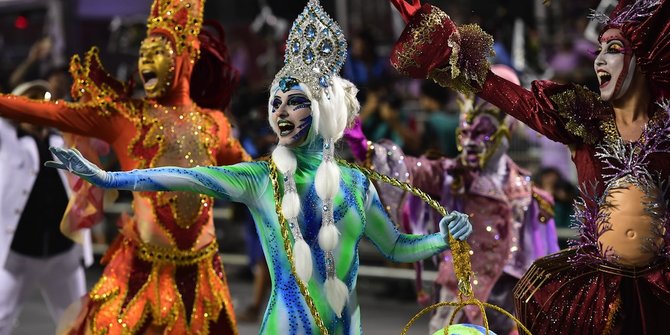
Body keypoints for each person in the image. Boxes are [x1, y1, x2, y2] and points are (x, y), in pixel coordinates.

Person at [45, 1, 474, 334]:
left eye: (296, 101)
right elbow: (185, 177)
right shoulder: (259, 179)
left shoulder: (358, 184)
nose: (282, 112)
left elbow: (396, 248)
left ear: (323, 111)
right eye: (277, 103)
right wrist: (107, 178)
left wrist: (441, 238)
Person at [384, 0, 670, 333]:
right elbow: (512, 97)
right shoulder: (585, 120)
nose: (600, 60)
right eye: (599, 50)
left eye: (615, 49)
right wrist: (442, 42)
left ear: (645, 57)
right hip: (596, 295)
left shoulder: (666, 134)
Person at [0, 0, 248, 333]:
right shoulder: (126, 117)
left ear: (184, 57)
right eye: (142, 52)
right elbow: (52, 113)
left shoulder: (213, 125)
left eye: (158, 50)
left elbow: (252, 173)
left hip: (201, 280)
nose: (144, 59)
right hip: (140, 277)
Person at [345, 65, 559, 335]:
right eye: (464, 132)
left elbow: (541, 263)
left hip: (508, 307)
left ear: (507, 130)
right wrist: (361, 145)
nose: (470, 142)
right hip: (459, 304)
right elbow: (405, 170)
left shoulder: (530, 194)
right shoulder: (449, 176)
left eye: (481, 133)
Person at [0, 81, 92, 335]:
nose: (35, 107)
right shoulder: (6, 138)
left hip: (63, 254)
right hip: (17, 254)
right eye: (28, 101)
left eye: (42, 100)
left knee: (80, 325)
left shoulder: (63, 140)